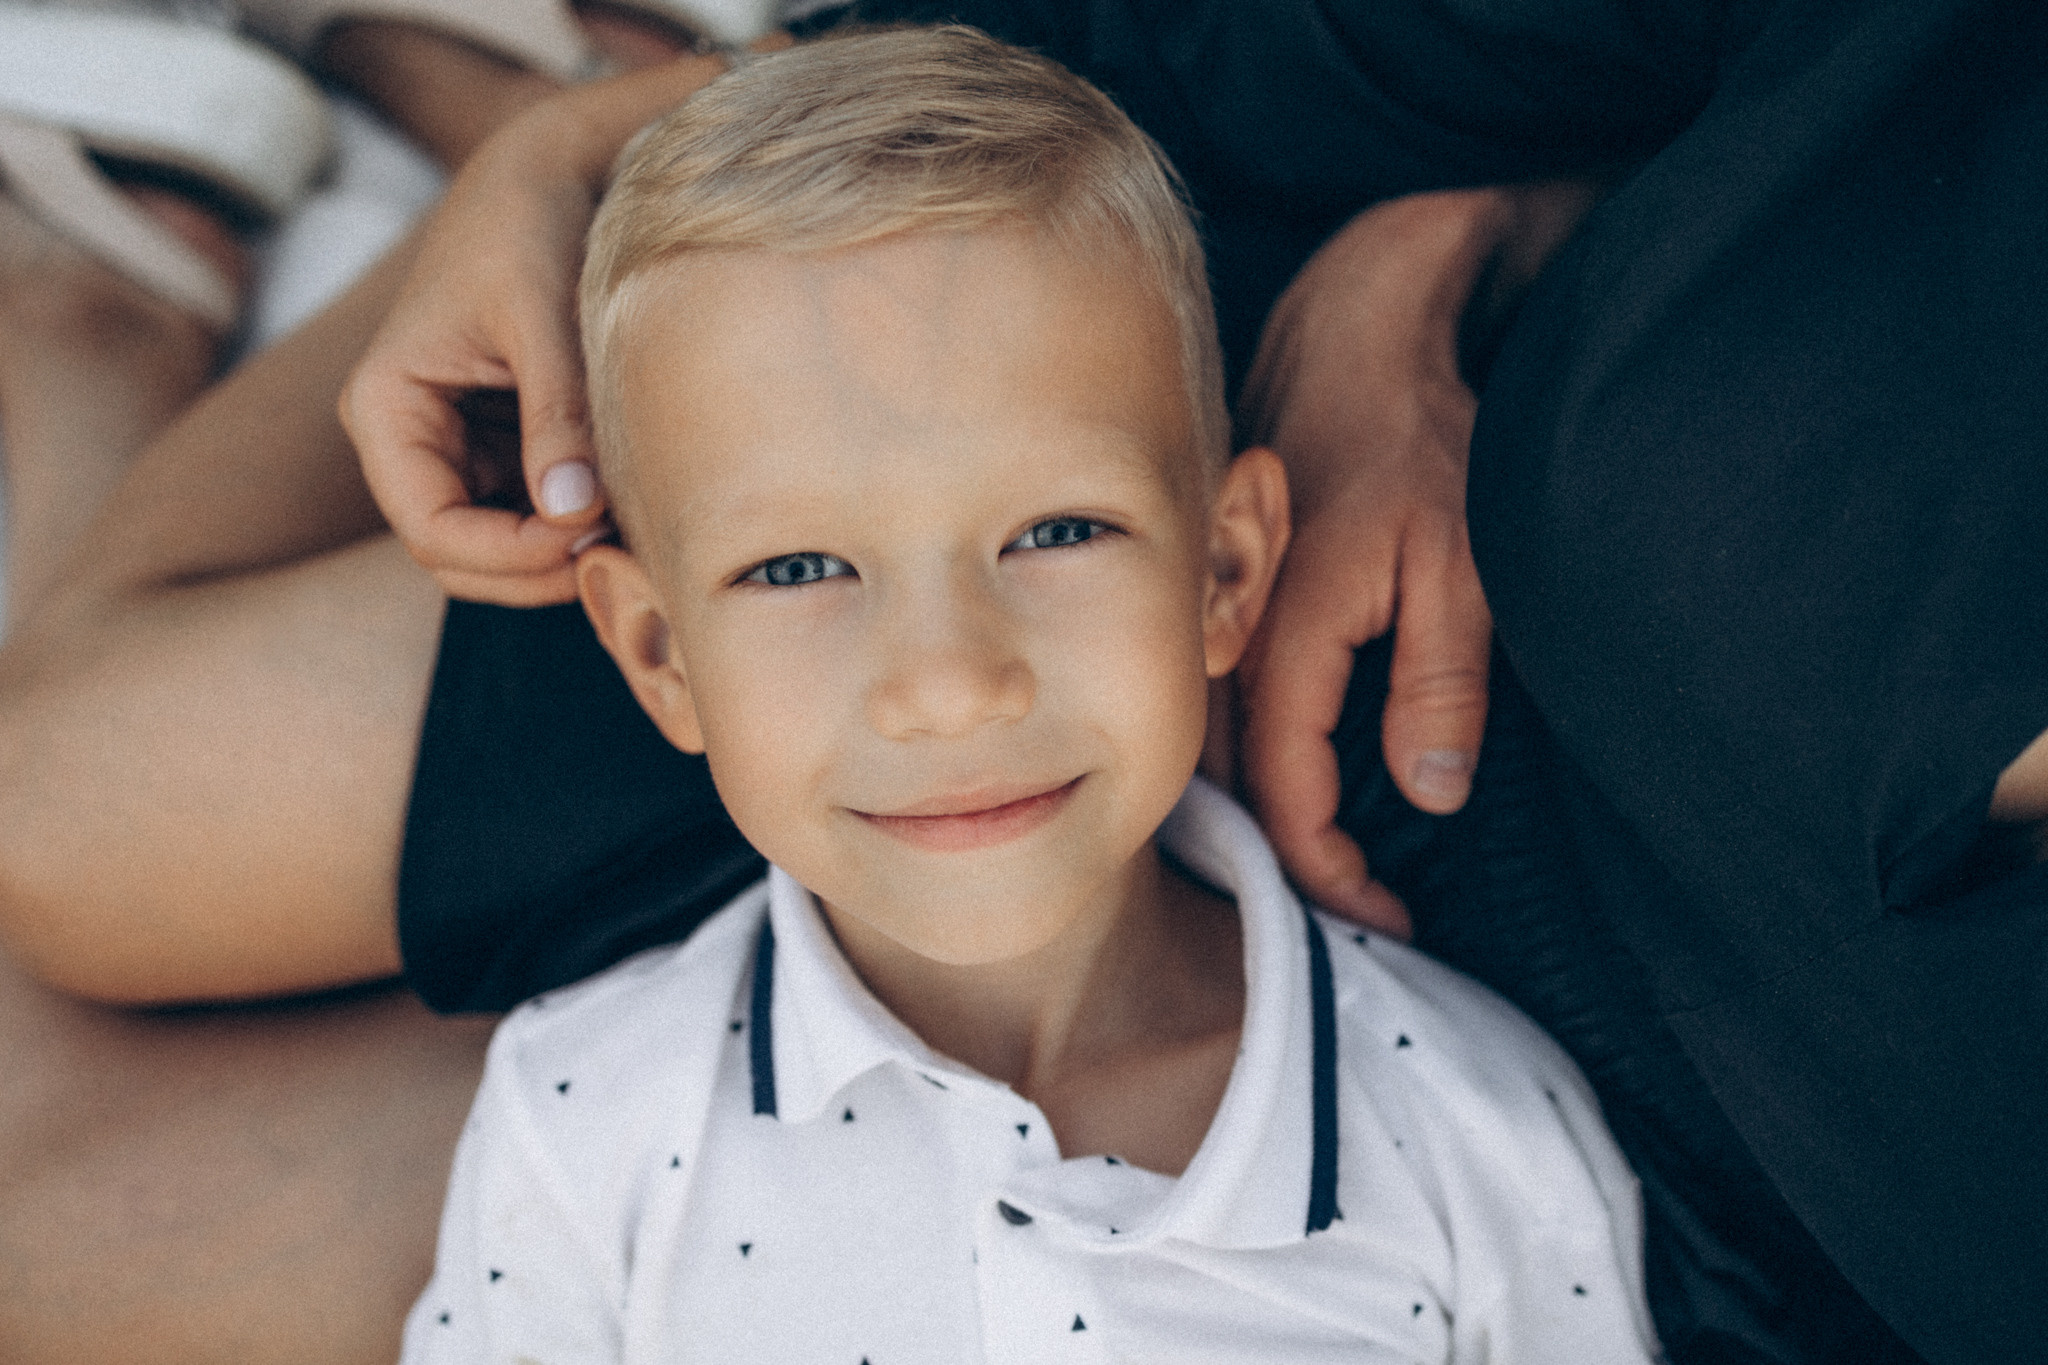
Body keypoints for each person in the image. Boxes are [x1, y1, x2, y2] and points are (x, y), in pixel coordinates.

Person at [337, 2, 2048, 1363]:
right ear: (653, 649)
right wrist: (570, 159)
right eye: (798, 569)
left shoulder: (1485, 1142)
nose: (947, 683)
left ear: (1229, 570)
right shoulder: (576, 1117)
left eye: (1057, 531)